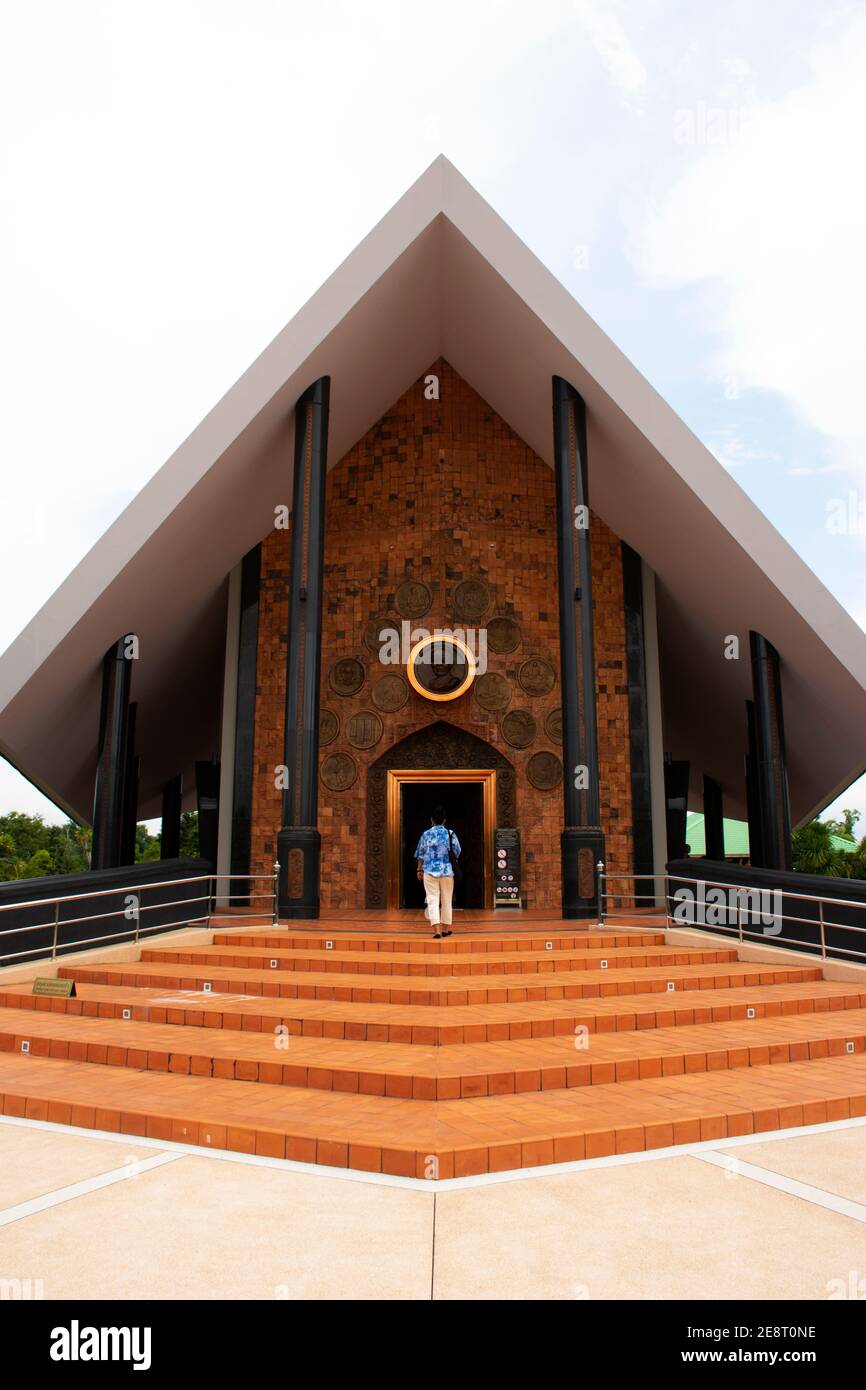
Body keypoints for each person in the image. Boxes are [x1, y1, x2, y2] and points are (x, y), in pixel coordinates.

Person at [414, 806, 461, 940]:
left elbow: (421, 854)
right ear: (444, 820)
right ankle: (446, 929)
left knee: (432, 899)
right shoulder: (450, 834)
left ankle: (437, 930)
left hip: (429, 871)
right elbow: (457, 851)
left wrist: (419, 869)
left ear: (431, 820)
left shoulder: (426, 834)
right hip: (447, 871)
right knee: (447, 900)